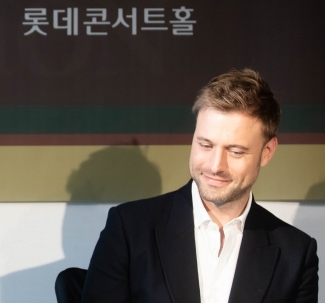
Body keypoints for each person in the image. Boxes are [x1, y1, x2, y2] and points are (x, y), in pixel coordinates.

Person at [80, 69, 319, 303]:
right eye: (205, 145)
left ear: (267, 152)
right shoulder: (129, 229)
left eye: (235, 151)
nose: (215, 166)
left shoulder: (295, 253)